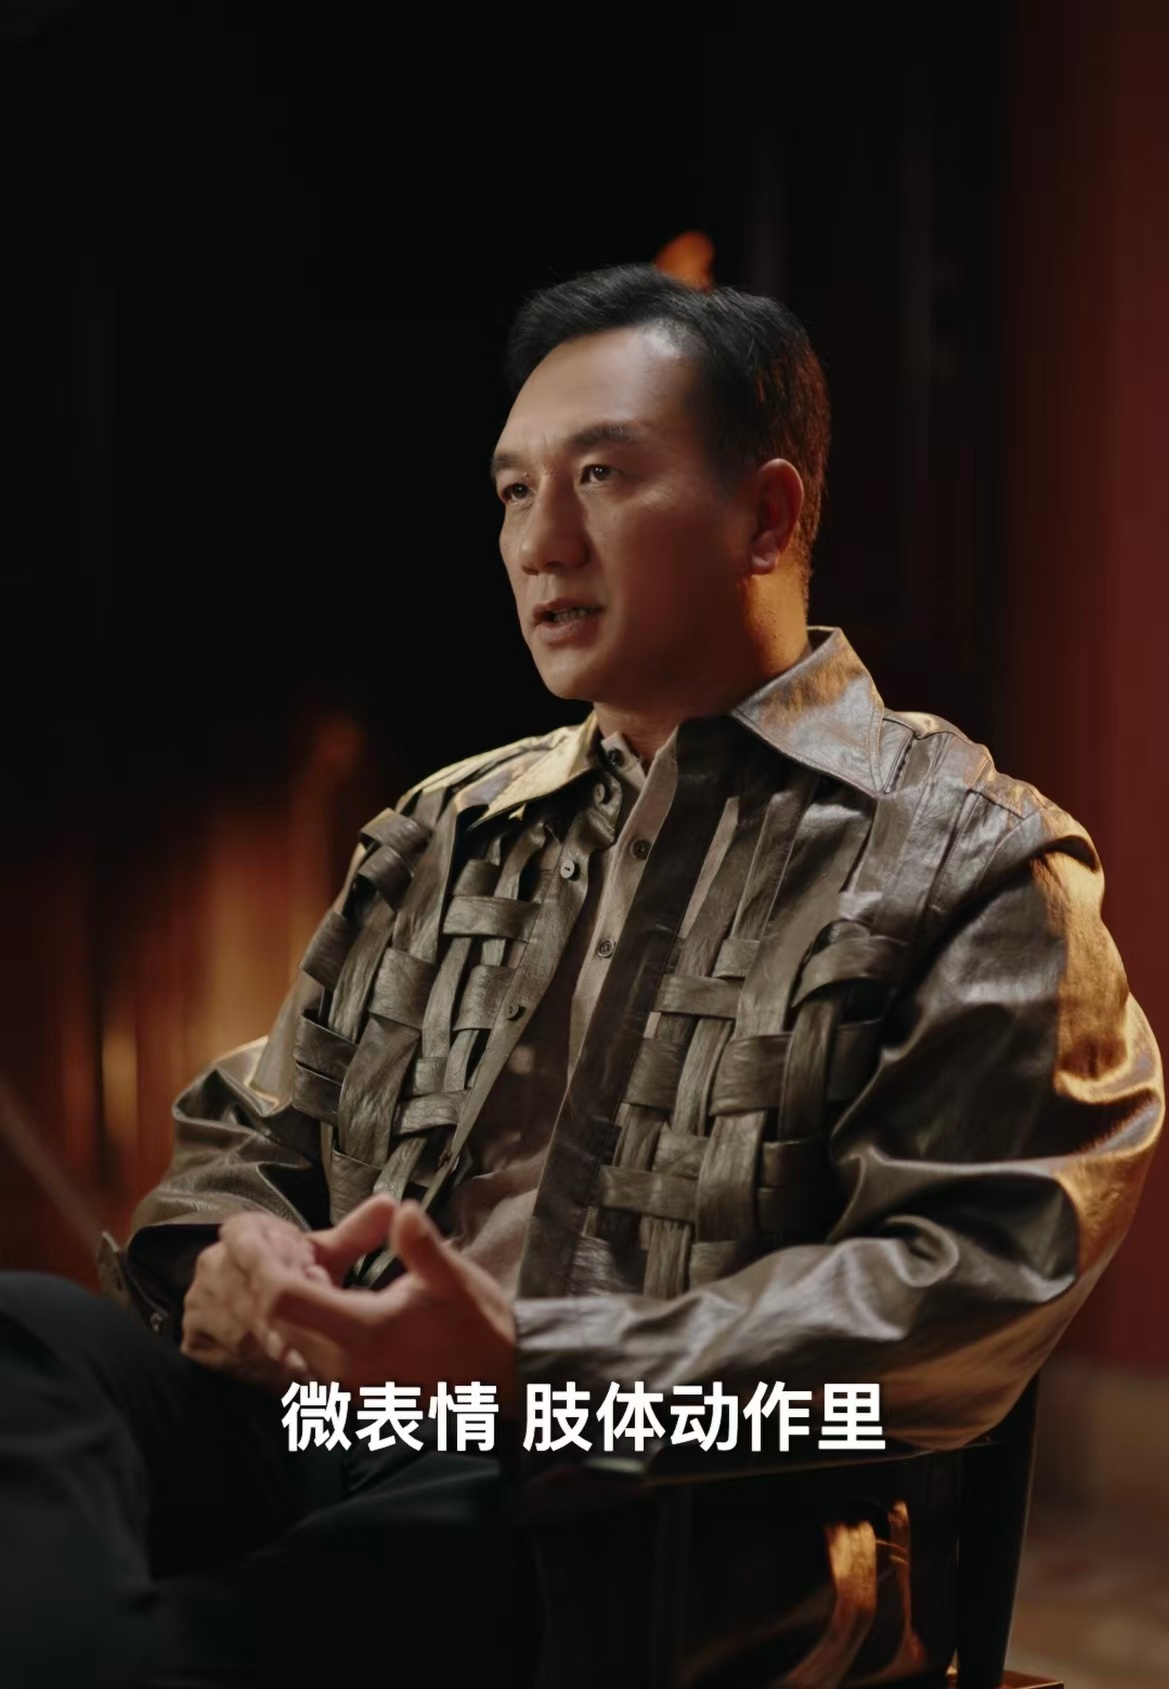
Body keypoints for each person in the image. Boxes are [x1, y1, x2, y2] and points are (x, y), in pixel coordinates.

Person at [0, 265, 1161, 1689]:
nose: (539, 542)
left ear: (767, 515)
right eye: (512, 491)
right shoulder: (445, 828)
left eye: (602, 476)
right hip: (347, 1420)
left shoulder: (975, 862)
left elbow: (965, 1290)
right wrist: (231, 1257)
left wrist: (535, 1370)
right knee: (28, 1335)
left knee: (445, 1545)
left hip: (659, 1490)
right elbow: (246, 1134)